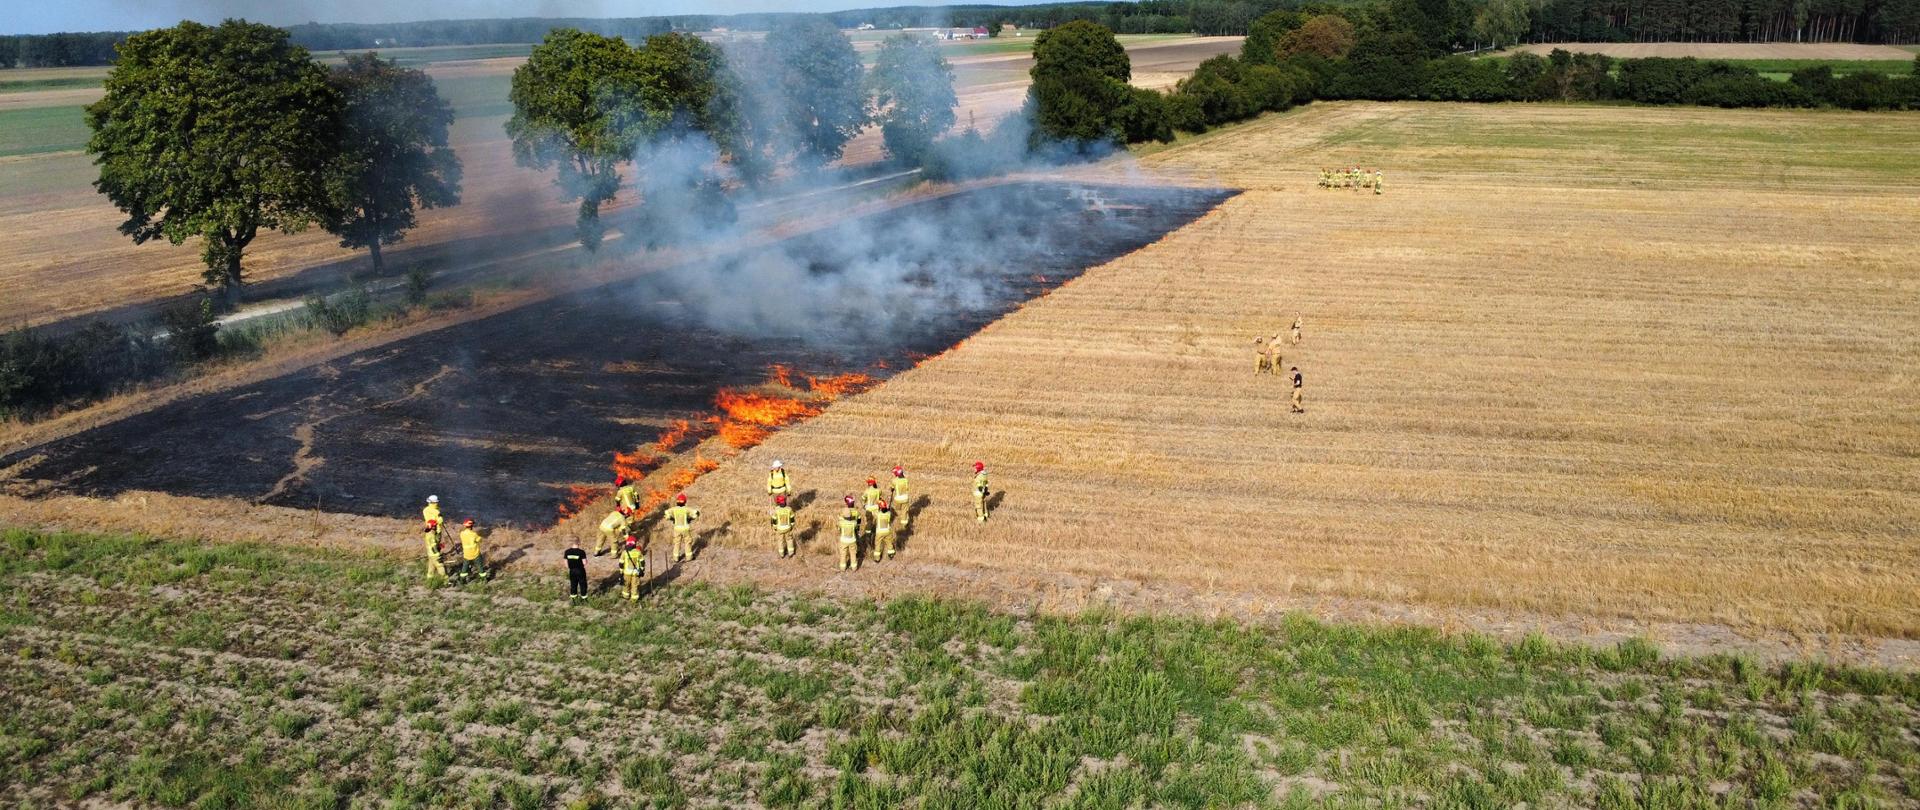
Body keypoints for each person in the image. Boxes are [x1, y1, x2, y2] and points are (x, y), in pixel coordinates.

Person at [664, 494, 701, 562]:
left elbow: (666, 513)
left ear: (677, 501)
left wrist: (672, 519)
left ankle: (676, 558)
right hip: (685, 529)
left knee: (677, 543)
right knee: (687, 542)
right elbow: (696, 513)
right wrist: (690, 519)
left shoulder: (674, 509)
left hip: (677, 529)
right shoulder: (686, 509)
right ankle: (689, 557)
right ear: (685, 502)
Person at [837, 495, 862, 571]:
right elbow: (859, 520)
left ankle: (842, 568)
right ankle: (854, 567)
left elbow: (839, 523)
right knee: (853, 551)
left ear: (846, 503)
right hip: (853, 534)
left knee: (843, 554)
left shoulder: (843, 512)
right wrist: (857, 527)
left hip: (844, 537)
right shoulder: (856, 512)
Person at [618, 536, 646, 601]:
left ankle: (625, 596)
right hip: (635, 573)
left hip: (626, 572)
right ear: (634, 543)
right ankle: (634, 599)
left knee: (626, 585)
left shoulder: (624, 553)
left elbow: (621, 563)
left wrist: (621, 572)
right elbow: (642, 562)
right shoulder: (638, 552)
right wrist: (642, 570)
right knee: (635, 586)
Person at [770, 494, 797, 558]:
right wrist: (792, 526)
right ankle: (791, 553)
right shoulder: (789, 509)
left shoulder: (776, 510)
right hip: (788, 528)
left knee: (780, 541)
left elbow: (774, 520)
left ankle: (782, 554)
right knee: (789, 540)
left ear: (778, 502)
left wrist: (774, 527)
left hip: (779, 529)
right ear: (785, 501)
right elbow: (792, 518)